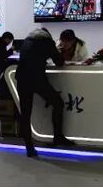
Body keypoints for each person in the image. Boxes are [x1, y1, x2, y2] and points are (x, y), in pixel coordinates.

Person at [16, 28, 74, 157]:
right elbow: (59, 62)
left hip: (22, 80)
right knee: (58, 103)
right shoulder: (47, 42)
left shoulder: (27, 40)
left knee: (25, 114)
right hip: (37, 80)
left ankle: (29, 148)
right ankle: (58, 137)